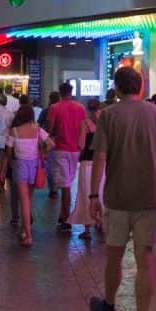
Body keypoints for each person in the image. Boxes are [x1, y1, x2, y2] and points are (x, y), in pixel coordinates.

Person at [88, 65, 156, 311]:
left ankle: (109, 304)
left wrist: (94, 194)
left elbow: (100, 157)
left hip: (118, 197)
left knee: (114, 255)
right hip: (151, 195)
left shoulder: (108, 115)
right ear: (141, 86)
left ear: (116, 88)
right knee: (145, 259)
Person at [1, 103, 54, 247]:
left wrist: (3, 170)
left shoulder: (15, 131)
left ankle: (28, 235)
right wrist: (42, 153)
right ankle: (24, 230)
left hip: (20, 166)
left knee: (23, 200)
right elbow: (51, 144)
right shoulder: (37, 130)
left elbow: (8, 153)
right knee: (28, 200)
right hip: (34, 166)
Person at [47, 81, 87, 231]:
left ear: (60, 92)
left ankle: (65, 217)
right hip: (75, 149)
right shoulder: (81, 108)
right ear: (71, 92)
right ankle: (64, 216)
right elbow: (83, 128)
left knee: (65, 186)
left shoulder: (54, 108)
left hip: (60, 149)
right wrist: (80, 147)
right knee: (68, 182)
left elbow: (51, 129)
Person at [70, 98, 104, 240]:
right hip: (103, 164)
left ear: (87, 109)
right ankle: (102, 223)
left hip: (87, 163)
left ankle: (88, 230)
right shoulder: (105, 123)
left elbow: (81, 144)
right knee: (101, 194)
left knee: (86, 195)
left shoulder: (85, 123)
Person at [38, 90, 60, 197]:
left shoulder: (46, 111)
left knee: (50, 165)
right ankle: (59, 185)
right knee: (59, 164)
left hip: (49, 139)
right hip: (62, 140)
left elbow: (39, 125)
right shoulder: (62, 110)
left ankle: (53, 189)